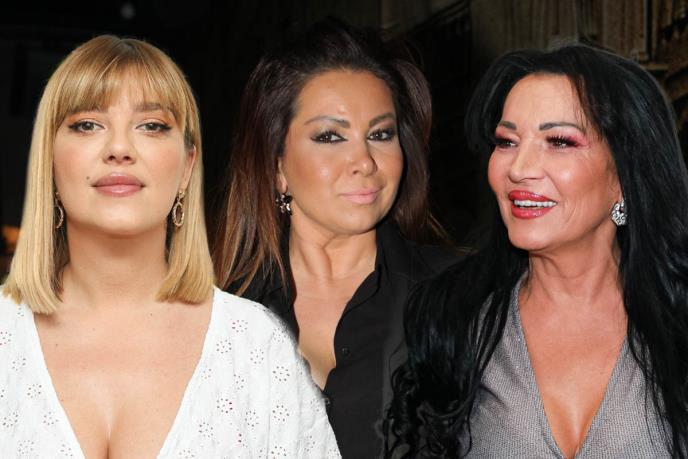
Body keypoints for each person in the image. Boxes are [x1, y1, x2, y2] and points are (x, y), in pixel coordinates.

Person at [0, 35, 340, 458]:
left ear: (187, 167)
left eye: (151, 125)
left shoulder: (256, 349)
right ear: (49, 160)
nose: (119, 149)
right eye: (87, 124)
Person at [385, 45, 688, 458]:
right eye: (507, 141)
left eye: (559, 141)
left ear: (624, 176)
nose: (519, 168)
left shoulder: (678, 322)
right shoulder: (453, 321)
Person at [212, 19, 457, 458]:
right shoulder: (217, 314)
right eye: (330, 136)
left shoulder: (460, 296)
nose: (364, 160)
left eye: (380, 135)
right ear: (277, 167)